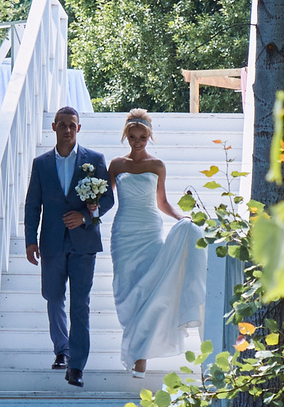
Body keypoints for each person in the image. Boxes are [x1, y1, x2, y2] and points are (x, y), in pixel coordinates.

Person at [105, 108, 205, 374]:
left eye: (142, 137)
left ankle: (141, 358)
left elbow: (161, 202)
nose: (137, 142)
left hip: (149, 230)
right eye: (133, 137)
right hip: (124, 232)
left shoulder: (157, 165)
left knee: (149, 289)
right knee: (128, 289)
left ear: (149, 137)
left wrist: (181, 216)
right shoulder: (116, 165)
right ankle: (138, 348)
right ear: (126, 136)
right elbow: (104, 200)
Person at [23, 106, 109, 387]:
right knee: (53, 296)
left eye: (72, 125)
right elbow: (33, 204)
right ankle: (62, 348)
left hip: (83, 242)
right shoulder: (41, 163)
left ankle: (76, 365)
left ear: (79, 128)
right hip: (50, 242)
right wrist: (30, 240)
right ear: (54, 127)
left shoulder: (94, 160)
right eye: (62, 125)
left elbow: (107, 201)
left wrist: (85, 216)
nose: (67, 130)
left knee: (80, 303)